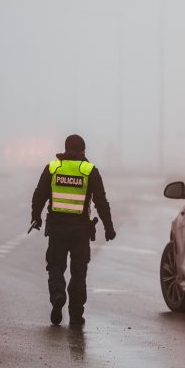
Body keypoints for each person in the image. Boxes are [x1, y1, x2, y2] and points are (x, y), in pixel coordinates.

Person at [31, 134, 115, 326]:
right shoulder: (89, 170)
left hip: (57, 229)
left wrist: (35, 217)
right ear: (83, 151)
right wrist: (108, 228)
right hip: (81, 231)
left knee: (55, 266)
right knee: (79, 273)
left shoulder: (53, 168)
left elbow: (39, 195)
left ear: (66, 148)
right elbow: (101, 202)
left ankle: (58, 295)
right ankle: (76, 315)